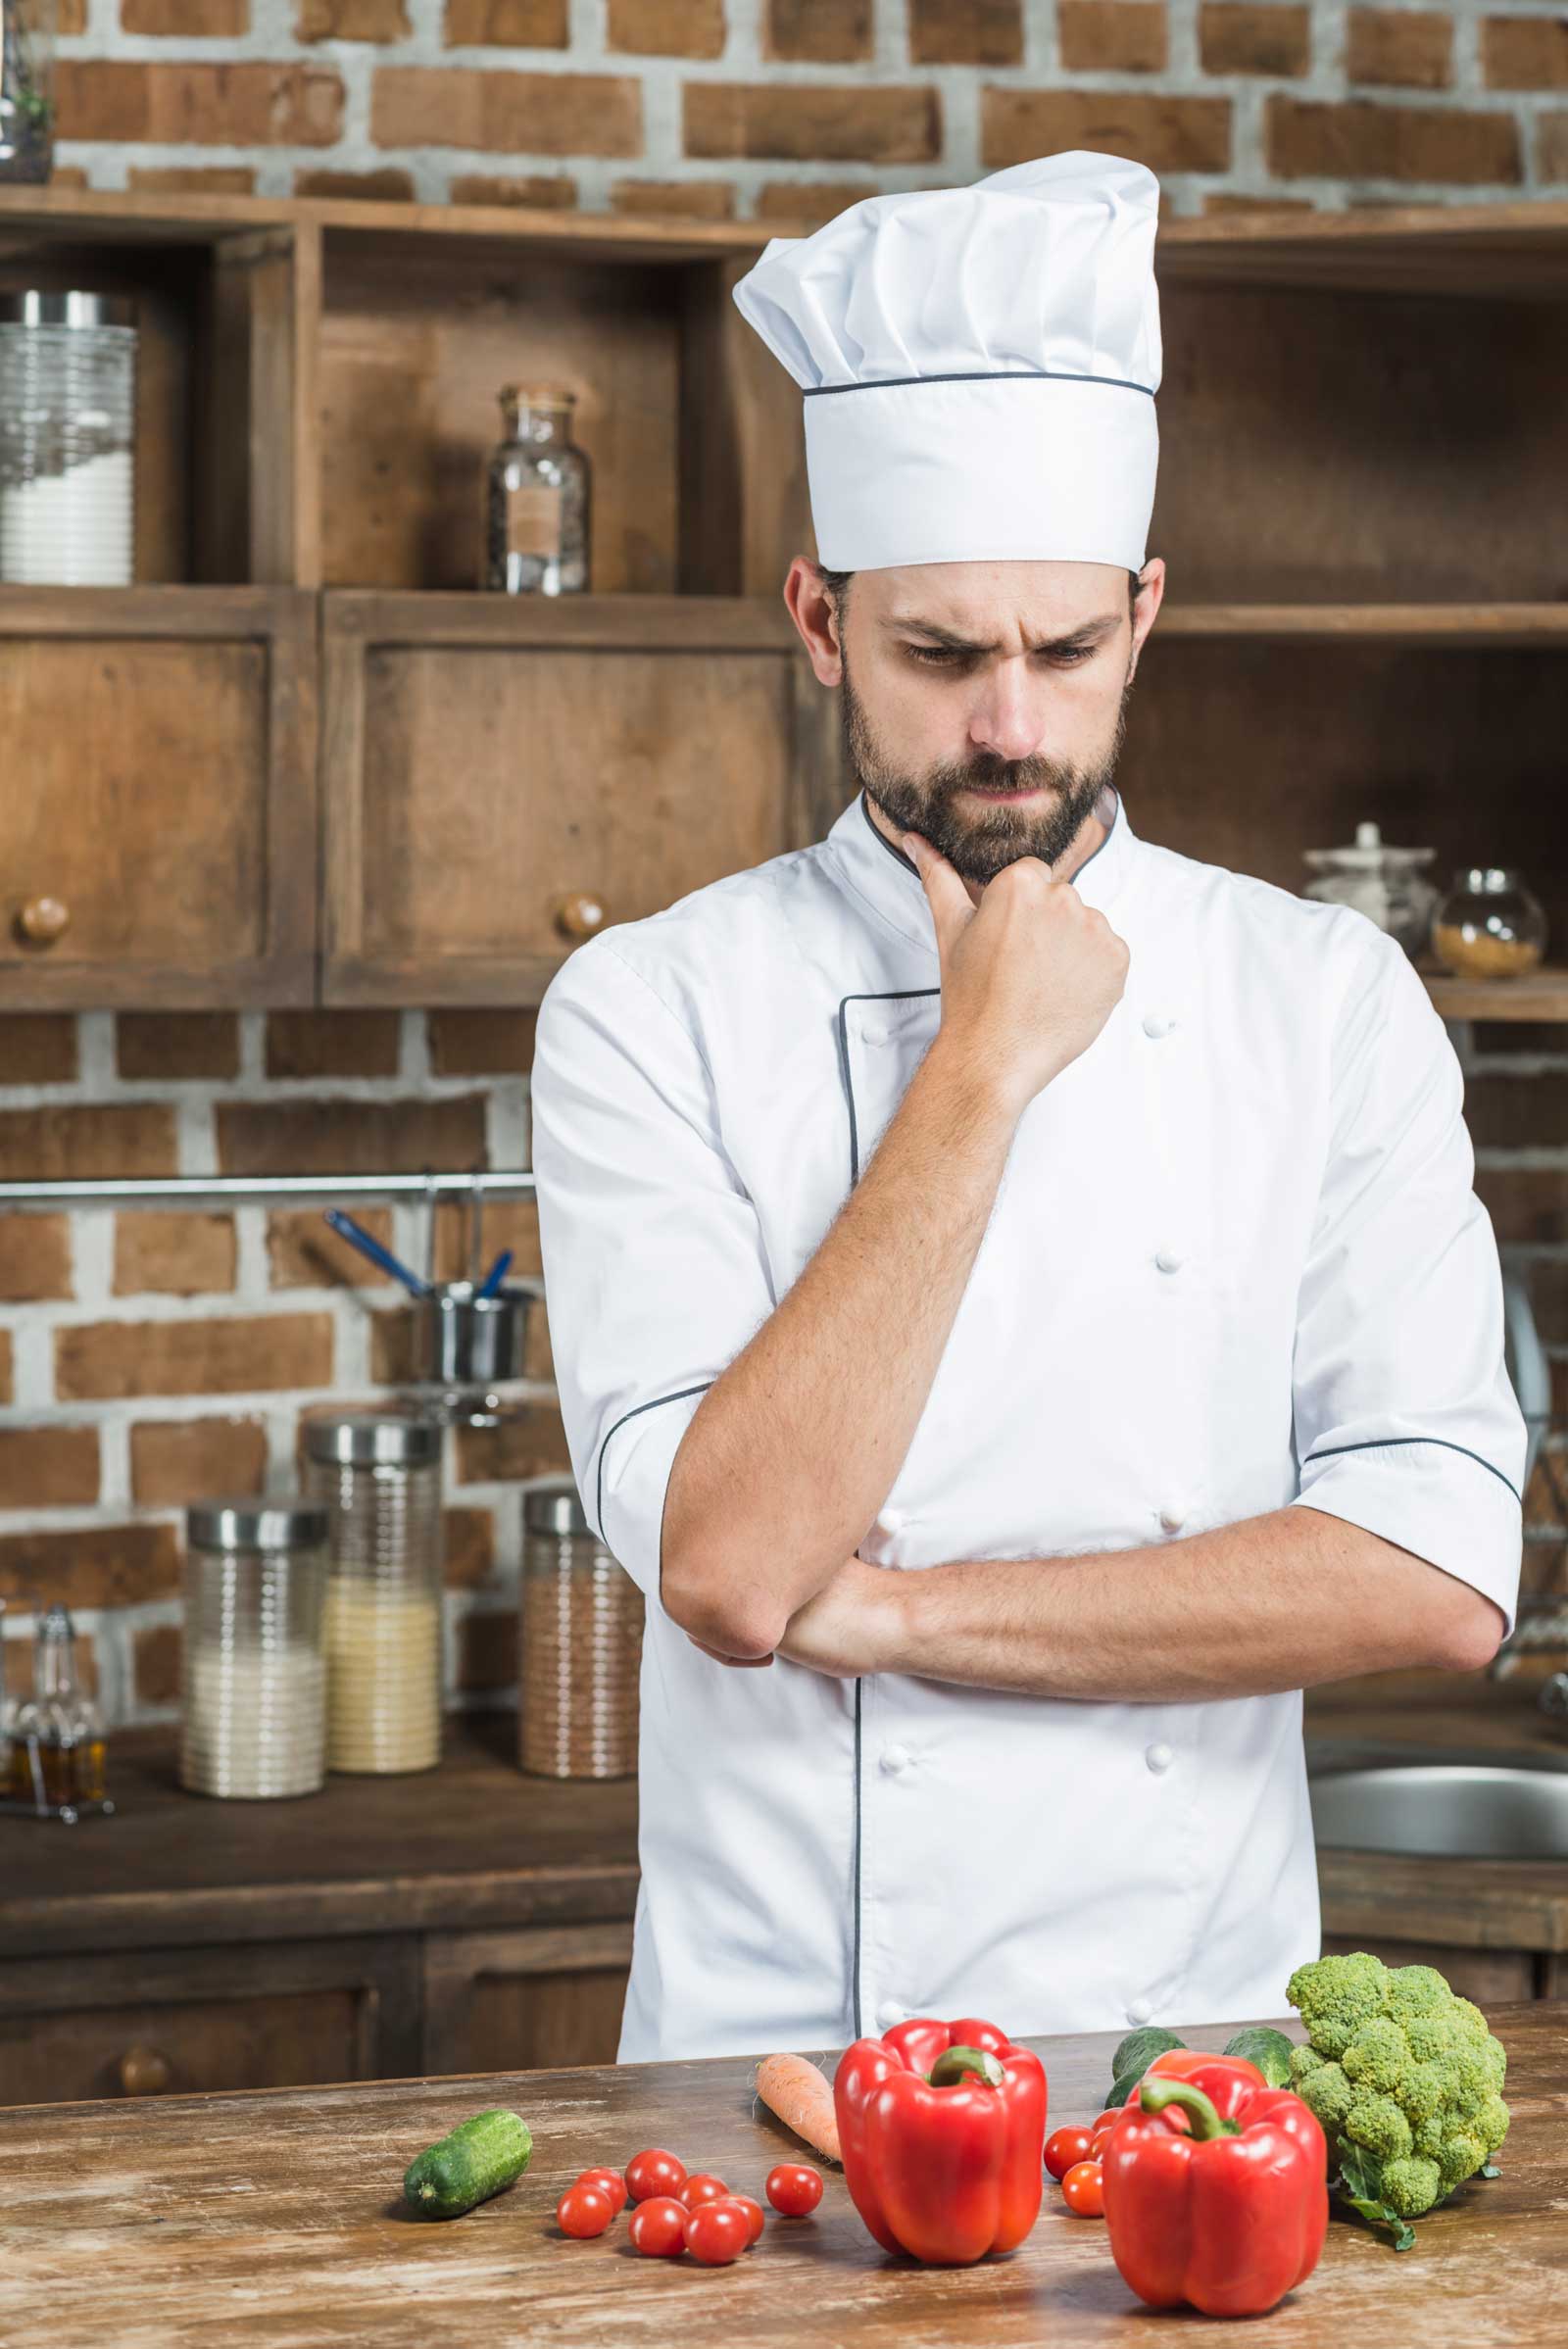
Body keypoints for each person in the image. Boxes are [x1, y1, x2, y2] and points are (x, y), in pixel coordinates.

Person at [529, 151, 1524, 2067]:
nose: (1008, 723)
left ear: (1141, 615)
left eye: (1064, 651)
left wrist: (892, 1618)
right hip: (788, 2057)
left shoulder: (1314, 998)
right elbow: (735, 1571)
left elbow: (1434, 1572)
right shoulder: (649, 1009)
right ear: (819, 620)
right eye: (937, 652)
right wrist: (975, 1068)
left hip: (1193, 2057)